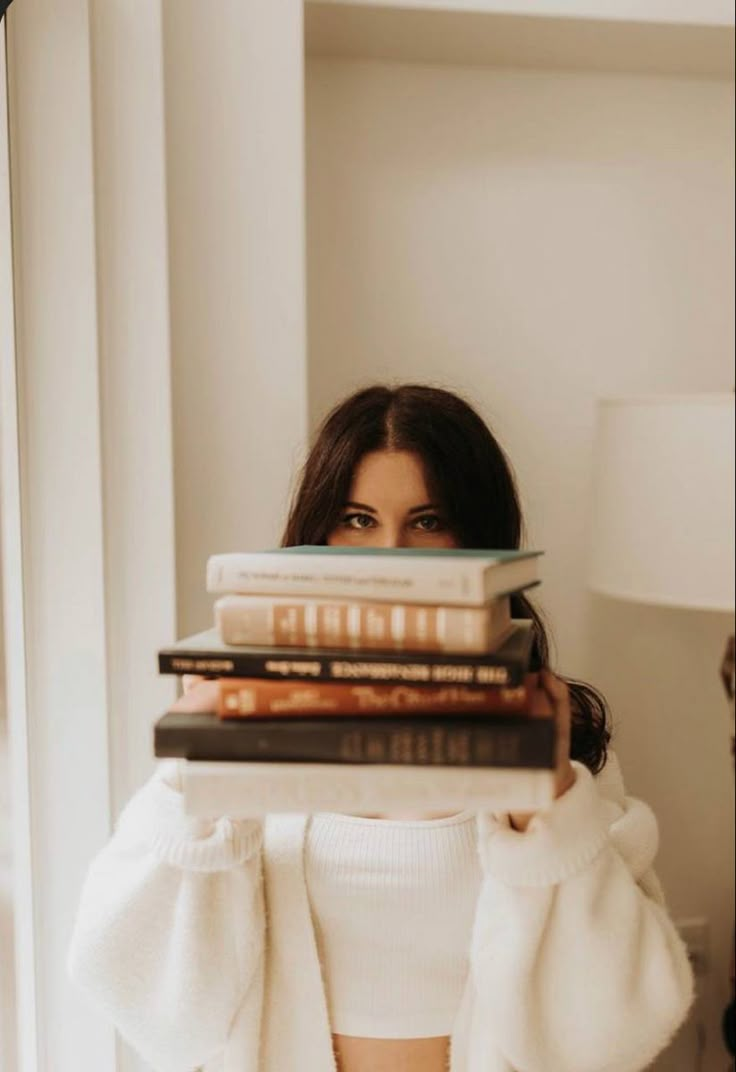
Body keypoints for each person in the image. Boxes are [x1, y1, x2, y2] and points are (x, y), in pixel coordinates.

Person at [68, 384, 694, 1072]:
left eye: (428, 521)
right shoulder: (251, 717)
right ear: (317, 537)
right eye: (358, 519)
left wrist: (547, 815)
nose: (391, 555)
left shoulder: (546, 742)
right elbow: (139, 994)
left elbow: (618, 1027)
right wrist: (192, 794)